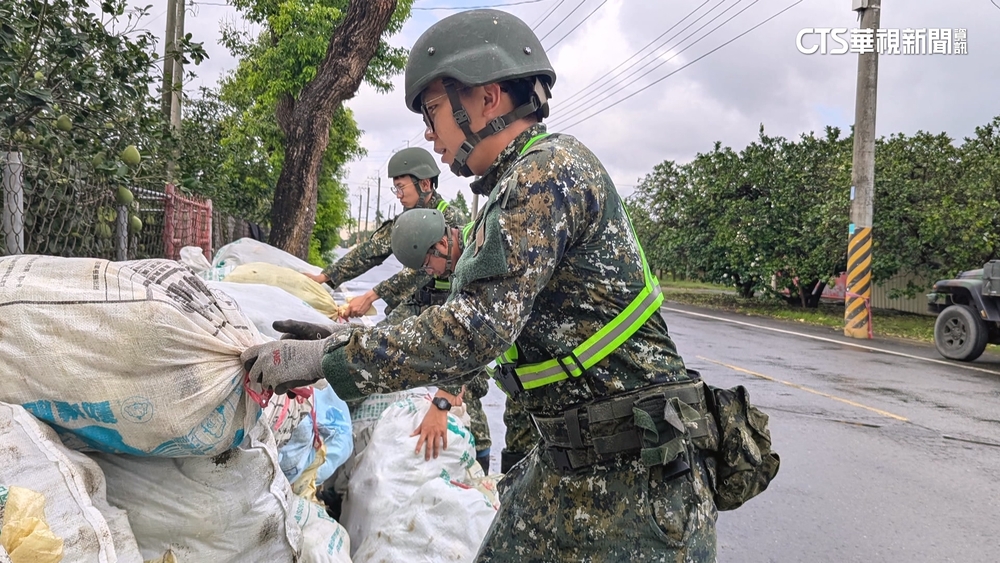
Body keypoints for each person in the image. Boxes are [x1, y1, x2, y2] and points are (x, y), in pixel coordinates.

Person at [243, 9, 719, 561]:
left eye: (435, 109)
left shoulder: (547, 174)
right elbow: (477, 316)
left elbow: (472, 329)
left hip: (639, 477)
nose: (429, 132)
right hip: (570, 461)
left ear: (487, 98)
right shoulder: (507, 193)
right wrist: (337, 342)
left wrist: (329, 358)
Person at [384, 208, 493, 473]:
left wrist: (443, 400)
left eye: (426, 264)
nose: (429, 272)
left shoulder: (480, 257)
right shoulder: (462, 261)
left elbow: (480, 329)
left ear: (442, 244)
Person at [304, 147, 465, 318]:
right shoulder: (406, 220)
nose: (398, 195)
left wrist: (370, 296)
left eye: (401, 187)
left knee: (377, 342)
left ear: (425, 184)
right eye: (395, 189)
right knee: (370, 341)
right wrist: (325, 277)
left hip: (441, 309)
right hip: (412, 302)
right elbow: (370, 251)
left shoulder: (448, 220)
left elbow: (420, 271)